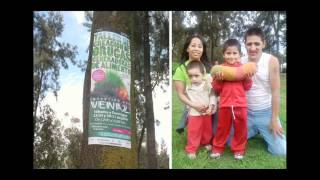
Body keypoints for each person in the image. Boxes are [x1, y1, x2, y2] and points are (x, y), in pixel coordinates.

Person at [241, 26, 286, 156]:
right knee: (228, 141)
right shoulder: (240, 61)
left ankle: (263, 127)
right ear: (245, 44)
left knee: (281, 151)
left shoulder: (271, 61)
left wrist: (274, 119)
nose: (253, 48)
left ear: (263, 44)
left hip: (266, 112)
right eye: (249, 44)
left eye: (257, 44)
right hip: (246, 112)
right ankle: (255, 130)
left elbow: (276, 91)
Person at [210, 39, 252, 160]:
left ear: (240, 55)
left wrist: (248, 78)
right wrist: (218, 79)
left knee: (241, 128)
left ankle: (239, 149)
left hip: (240, 105)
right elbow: (216, 88)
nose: (231, 56)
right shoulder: (220, 69)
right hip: (225, 105)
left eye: (235, 53)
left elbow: (247, 87)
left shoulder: (243, 69)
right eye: (228, 53)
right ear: (224, 54)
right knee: (222, 128)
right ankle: (217, 148)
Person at [173, 34, 212, 134]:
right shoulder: (180, 70)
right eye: (193, 45)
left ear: (203, 50)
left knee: (213, 133)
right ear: (187, 48)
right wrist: (194, 105)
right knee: (195, 133)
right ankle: (186, 119)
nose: (196, 49)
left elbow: (213, 90)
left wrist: (211, 106)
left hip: (209, 105)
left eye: (200, 46)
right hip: (191, 105)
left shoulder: (208, 68)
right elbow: (181, 94)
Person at [184, 61, 217, 159]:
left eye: (196, 75)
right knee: (194, 131)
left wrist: (211, 106)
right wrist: (191, 106)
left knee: (207, 129)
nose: (193, 78)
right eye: (190, 76)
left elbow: (212, 96)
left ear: (203, 74)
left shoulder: (207, 85)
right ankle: (192, 149)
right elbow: (187, 100)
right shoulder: (188, 87)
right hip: (194, 113)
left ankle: (205, 143)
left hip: (207, 112)